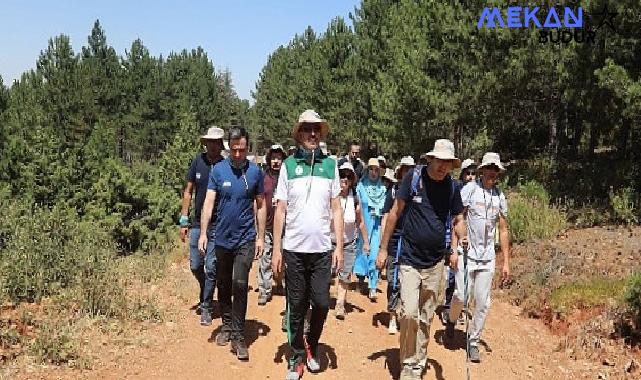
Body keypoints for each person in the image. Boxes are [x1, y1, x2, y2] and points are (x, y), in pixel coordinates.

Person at [376, 139, 467, 380]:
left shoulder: (452, 187)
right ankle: (407, 364)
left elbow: (458, 219)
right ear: (430, 159)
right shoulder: (413, 180)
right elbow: (394, 213)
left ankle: (419, 361)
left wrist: (463, 237)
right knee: (408, 314)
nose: (443, 167)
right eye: (440, 161)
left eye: (448, 163)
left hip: (435, 263)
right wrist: (383, 249)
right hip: (408, 259)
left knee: (426, 317)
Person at [272, 109, 344, 380]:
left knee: (323, 303)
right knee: (297, 305)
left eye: (317, 129)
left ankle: (311, 345)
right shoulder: (289, 166)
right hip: (293, 249)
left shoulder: (330, 165)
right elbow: (280, 209)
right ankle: (297, 358)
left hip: (322, 250)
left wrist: (338, 247)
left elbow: (336, 209)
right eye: (307, 129)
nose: (313, 134)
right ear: (299, 134)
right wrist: (277, 249)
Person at [198, 126, 266, 361]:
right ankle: (227, 324)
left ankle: (239, 336)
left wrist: (260, 236)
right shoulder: (218, 170)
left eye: (242, 150)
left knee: (239, 283)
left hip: (245, 239)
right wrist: (204, 233)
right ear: (229, 147)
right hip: (222, 238)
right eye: (235, 150)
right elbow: (209, 202)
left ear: (247, 148)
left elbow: (261, 204)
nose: (238, 154)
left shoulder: (255, 172)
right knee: (224, 284)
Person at [445, 152, 510, 363]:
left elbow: (503, 229)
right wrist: (454, 249)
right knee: (461, 295)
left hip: (487, 256)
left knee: (483, 302)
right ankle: (452, 322)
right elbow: (458, 217)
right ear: (482, 170)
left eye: (495, 169)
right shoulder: (470, 190)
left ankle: (473, 341)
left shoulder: (499, 197)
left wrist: (506, 262)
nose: (492, 172)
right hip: (467, 254)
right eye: (489, 168)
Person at [179, 126, 225, 326]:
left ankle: (206, 305)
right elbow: (188, 191)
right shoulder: (198, 162)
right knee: (196, 265)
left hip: (218, 225)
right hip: (198, 223)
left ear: (221, 144)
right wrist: (183, 219)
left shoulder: (226, 165)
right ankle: (206, 287)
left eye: (216, 142)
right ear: (205, 143)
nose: (213, 145)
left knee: (211, 266)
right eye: (210, 142)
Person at [381, 155, 415, 335]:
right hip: (395, 240)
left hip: (411, 242)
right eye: (405, 169)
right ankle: (393, 315)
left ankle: (404, 312)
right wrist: (382, 246)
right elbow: (387, 215)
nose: (408, 172)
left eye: (411, 168)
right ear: (400, 171)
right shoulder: (393, 191)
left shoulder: (418, 191)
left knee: (407, 280)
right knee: (393, 279)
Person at [441, 158, 477, 325]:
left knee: (468, 279)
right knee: (452, 275)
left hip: (471, 242)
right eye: (467, 173)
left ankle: (460, 309)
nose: (470, 176)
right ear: (462, 174)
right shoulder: (455, 189)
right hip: (453, 235)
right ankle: (448, 307)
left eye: (473, 173)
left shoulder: (478, 192)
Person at [333, 161, 368, 320]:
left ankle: (340, 304)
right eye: (342, 175)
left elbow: (360, 222)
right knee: (324, 274)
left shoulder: (355, 199)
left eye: (348, 176)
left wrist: (366, 242)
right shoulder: (331, 196)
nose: (344, 179)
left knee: (345, 274)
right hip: (329, 242)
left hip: (349, 242)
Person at [257, 144, 286, 306]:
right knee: (265, 258)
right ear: (269, 159)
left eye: (279, 158)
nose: (276, 161)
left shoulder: (287, 177)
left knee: (284, 258)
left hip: (285, 226)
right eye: (273, 158)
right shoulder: (263, 177)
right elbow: (258, 200)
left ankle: (280, 283)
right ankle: (264, 289)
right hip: (267, 225)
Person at [354, 158, 387, 301]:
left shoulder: (383, 189)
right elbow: (358, 206)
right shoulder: (360, 186)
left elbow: (386, 208)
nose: (374, 173)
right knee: (362, 252)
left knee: (374, 253)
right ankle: (361, 277)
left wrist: (379, 211)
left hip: (377, 225)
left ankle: (372, 286)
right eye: (371, 169)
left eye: (376, 170)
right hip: (363, 224)